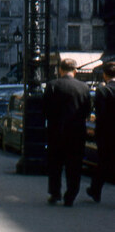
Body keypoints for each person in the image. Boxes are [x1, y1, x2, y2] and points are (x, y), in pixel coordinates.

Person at [42, 58, 91, 207]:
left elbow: (45, 110)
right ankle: (71, 195)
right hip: (77, 133)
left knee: (55, 165)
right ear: (75, 71)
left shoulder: (52, 86)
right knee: (74, 165)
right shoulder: (84, 87)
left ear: (60, 70)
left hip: (56, 131)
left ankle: (55, 193)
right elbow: (87, 111)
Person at [87, 60, 115, 203]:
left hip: (107, 133)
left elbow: (100, 113)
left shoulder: (103, 90)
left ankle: (95, 190)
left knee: (103, 162)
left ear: (105, 74)